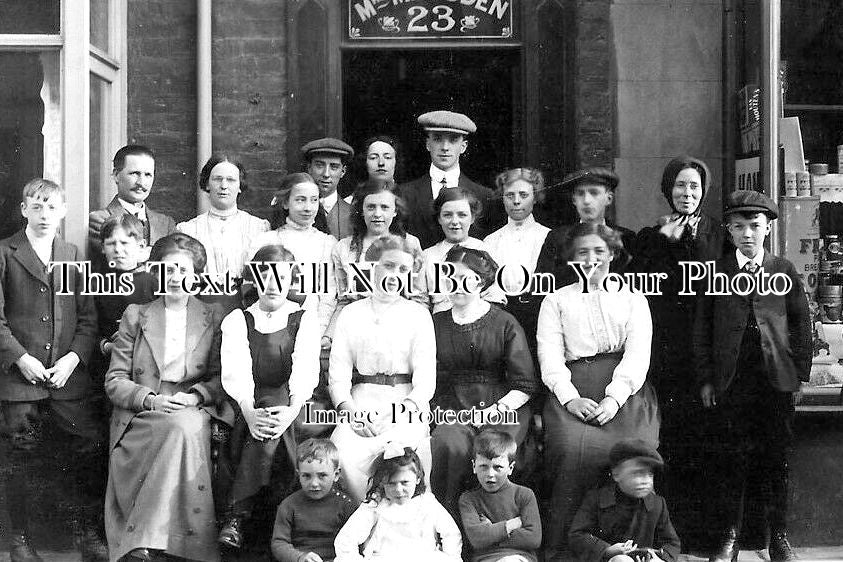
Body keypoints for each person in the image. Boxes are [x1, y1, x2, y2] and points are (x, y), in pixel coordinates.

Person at [693, 191, 811, 562]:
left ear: (767, 229)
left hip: (774, 380)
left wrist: (799, 376)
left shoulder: (783, 270)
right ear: (728, 230)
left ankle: (778, 536)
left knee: (775, 459)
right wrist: (707, 380)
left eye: (755, 226)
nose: (747, 234)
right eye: (739, 226)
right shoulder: (716, 273)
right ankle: (730, 535)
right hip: (732, 381)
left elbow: (801, 324)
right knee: (731, 459)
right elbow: (702, 329)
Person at [104, 233, 235, 562]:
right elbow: (115, 380)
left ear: (197, 275)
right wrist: (150, 400)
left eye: (182, 270)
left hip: (193, 405)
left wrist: (195, 397)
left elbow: (224, 377)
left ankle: (146, 539)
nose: (175, 278)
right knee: (176, 429)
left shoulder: (213, 315)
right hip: (144, 410)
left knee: (182, 427)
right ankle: (161, 540)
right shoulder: (137, 314)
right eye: (167, 270)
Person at [537, 222, 658, 561]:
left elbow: (638, 355)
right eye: (582, 253)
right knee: (570, 447)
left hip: (625, 392)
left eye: (599, 252)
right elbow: (549, 356)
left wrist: (615, 397)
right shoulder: (555, 300)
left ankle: (632, 550)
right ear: (571, 259)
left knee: (633, 450)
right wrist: (569, 397)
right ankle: (567, 549)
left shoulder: (634, 298)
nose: (591, 260)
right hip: (573, 390)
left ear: (613, 255)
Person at [0, 178, 105, 562]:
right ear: (24, 210)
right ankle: (20, 541)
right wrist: (21, 359)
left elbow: (88, 321)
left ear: (63, 211)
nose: (45, 215)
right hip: (18, 380)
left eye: (52, 207)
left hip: (66, 379)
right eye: (37, 207)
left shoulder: (73, 255)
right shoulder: (5, 253)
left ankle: (85, 533)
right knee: (20, 456)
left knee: (86, 448)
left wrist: (72, 359)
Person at [628, 156, 725, 546]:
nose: (687, 194)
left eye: (694, 187)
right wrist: (667, 239)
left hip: (704, 347)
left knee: (703, 438)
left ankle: (702, 535)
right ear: (668, 190)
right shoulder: (651, 235)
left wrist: (694, 238)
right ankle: (665, 532)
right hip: (666, 348)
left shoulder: (719, 233)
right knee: (668, 436)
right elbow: (644, 287)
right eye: (681, 186)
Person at [217, 243, 322, 549]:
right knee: (267, 411)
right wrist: (248, 410)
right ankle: (285, 517)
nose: (273, 285)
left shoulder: (302, 318)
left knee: (274, 412)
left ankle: (238, 515)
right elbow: (237, 373)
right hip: (248, 402)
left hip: (298, 403)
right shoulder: (239, 320)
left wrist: (291, 408)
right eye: (266, 276)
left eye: (282, 277)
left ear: (291, 282)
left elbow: (305, 371)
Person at [430, 246, 539, 516]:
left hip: (503, 407)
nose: (457, 286)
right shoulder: (435, 323)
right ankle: (449, 525)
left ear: (481, 281)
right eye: (450, 277)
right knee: (449, 442)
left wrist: (492, 412)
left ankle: (497, 533)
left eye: (466, 278)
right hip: (452, 406)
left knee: (494, 451)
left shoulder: (504, 322)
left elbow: (523, 383)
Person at [328, 235, 435, 502]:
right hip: (361, 398)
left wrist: (400, 411)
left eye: (403, 269)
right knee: (343, 450)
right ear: (372, 265)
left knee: (403, 454)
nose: (395, 275)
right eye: (389, 265)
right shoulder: (351, 313)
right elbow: (338, 376)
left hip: (406, 401)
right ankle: (360, 527)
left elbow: (425, 382)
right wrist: (351, 414)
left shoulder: (418, 315)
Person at [327, 178, 426, 339]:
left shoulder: (410, 244)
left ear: (395, 211)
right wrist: (328, 336)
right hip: (357, 331)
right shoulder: (344, 249)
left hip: (399, 330)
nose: (377, 214)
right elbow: (343, 302)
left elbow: (419, 299)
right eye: (371, 207)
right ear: (361, 210)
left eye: (385, 207)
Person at [333, 446, 462, 562]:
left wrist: (451, 558)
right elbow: (346, 539)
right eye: (391, 483)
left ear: (417, 478)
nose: (398, 490)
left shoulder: (427, 503)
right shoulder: (375, 505)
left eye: (404, 482)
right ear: (382, 482)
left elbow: (451, 533)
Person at [249, 172, 338, 337]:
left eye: (314, 200)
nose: (308, 207)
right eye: (300, 200)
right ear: (285, 203)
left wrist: (318, 332)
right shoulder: (267, 240)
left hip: (310, 326)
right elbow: (255, 290)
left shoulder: (326, 243)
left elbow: (327, 294)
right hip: (271, 328)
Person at [176, 154, 270, 309]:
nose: (224, 186)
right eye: (217, 179)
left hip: (247, 307)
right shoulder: (188, 230)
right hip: (201, 309)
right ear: (207, 184)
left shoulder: (259, 228)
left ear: (240, 186)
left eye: (231, 180)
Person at [569, 439, 681, 562]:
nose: (646, 480)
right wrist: (607, 550)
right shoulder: (596, 499)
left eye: (650, 475)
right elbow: (577, 536)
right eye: (638, 473)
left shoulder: (657, 504)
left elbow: (672, 542)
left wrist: (661, 559)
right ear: (616, 474)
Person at [398, 110, 497, 249]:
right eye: (438, 139)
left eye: (453, 140)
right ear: (428, 144)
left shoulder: (484, 196)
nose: (445, 147)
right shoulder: (404, 194)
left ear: (464, 146)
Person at [483, 167, 551, 353]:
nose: (516, 201)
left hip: (537, 315)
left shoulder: (547, 236)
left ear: (535, 197)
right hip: (501, 315)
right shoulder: (491, 241)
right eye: (509, 195)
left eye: (523, 194)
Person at [535, 168, 635, 289]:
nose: (587, 201)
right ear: (574, 200)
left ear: (608, 198)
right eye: (580, 194)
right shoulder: (557, 238)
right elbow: (542, 286)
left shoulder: (626, 238)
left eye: (594, 193)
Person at [458, 429, 542, 562]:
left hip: (519, 557)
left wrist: (490, 531)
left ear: (511, 468)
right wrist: (511, 525)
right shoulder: (468, 500)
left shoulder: (524, 495)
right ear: (474, 466)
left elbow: (533, 539)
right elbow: (477, 539)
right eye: (483, 466)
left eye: (498, 467)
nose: (490, 474)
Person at [271, 438, 358, 562]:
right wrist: (300, 557)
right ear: (298, 474)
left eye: (322, 475)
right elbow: (279, 543)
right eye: (306, 476)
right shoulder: (289, 505)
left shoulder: (346, 505)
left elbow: (356, 542)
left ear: (336, 475)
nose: (314, 483)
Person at [422, 187, 506, 313]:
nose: (455, 221)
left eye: (462, 215)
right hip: (440, 327)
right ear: (439, 218)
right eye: (447, 215)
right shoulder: (427, 256)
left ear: (472, 218)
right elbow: (420, 301)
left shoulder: (486, 250)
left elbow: (496, 296)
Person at [88, 144, 176, 263]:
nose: (141, 182)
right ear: (116, 175)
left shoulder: (166, 224)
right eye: (135, 173)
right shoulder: (98, 219)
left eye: (148, 175)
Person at [303, 138, 355, 240]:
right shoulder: (296, 210)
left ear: (343, 171)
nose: (326, 174)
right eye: (319, 165)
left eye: (334, 167)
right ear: (309, 168)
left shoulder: (352, 214)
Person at [343, 135, 400, 204]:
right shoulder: (349, 203)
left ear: (396, 161)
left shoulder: (409, 198)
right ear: (365, 162)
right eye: (373, 158)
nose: (381, 163)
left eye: (387, 157)